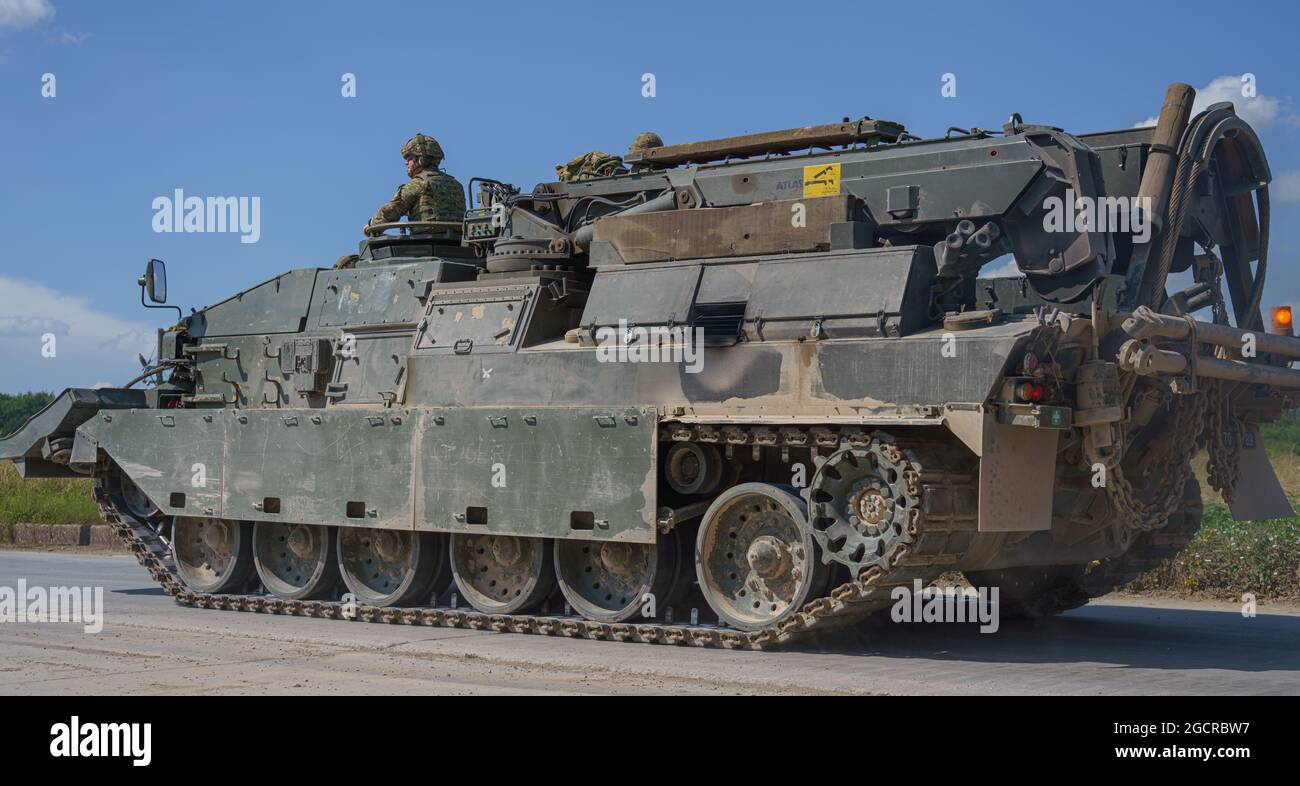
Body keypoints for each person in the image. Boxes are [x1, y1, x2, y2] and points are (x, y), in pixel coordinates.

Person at [364, 133, 466, 236]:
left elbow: (392, 210)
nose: (406, 163)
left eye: (409, 158)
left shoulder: (418, 184)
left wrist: (371, 225)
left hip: (426, 243)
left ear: (421, 160)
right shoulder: (457, 185)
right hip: (457, 244)